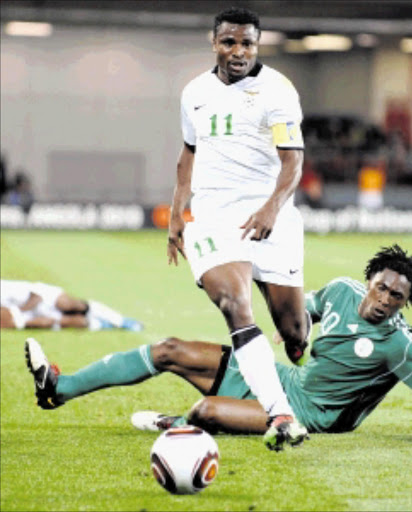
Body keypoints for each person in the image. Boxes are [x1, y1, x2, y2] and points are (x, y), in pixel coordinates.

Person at [25, 246, 412, 446]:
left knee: (207, 411)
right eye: (381, 287)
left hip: (309, 417)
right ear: (369, 280)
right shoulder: (341, 290)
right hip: (282, 380)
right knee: (170, 349)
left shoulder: (402, 345)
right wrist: (286, 330)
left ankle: (176, 423)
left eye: (396, 297)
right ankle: (60, 388)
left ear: (405, 303)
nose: (384, 300)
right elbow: (303, 308)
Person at [167, 7, 309, 450]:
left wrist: (270, 208)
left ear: (257, 45)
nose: (238, 51)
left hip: (272, 217)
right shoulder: (194, 92)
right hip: (213, 218)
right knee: (234, 302)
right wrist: (176, 211)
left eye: (247, 43)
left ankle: (312, 319)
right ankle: (280, 414)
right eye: (229, 42)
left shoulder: (278, 90)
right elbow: (189, 152)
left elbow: (293, 161)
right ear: (214, 43)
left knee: (294, 333)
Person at [1, 279, 143, 332]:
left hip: (44, 297)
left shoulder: (4, 287)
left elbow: (36, 297)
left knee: (67, 305)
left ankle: (120, 320)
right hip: (27, 312)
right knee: (71, 322)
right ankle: (100, 324)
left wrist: (18, 312)